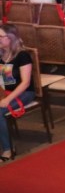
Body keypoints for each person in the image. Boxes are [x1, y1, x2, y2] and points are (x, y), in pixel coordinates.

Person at [0, 25, 33, 161]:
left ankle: (8, 149)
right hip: (5, 90)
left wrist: (7, 100)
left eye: (1, 37)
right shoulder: (1, 54)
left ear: (11, 38)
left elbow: (25, 83)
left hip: (23, 92)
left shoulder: (22, 55)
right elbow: (4, 79)